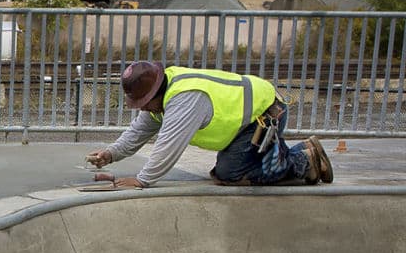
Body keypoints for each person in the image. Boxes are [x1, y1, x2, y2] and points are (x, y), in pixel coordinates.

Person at [86, 61, 333, 188]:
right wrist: (111, 154)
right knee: (225, 170)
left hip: (265, 115)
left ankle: (305, 162)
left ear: (154, 94)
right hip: (246, 123)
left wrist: (142, 180)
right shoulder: (160, 98)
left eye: (143, 102)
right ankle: (298, 152)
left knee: (230, 175)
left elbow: (167, 147)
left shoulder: (185, 100)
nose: (141, 108)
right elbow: (138, 131)